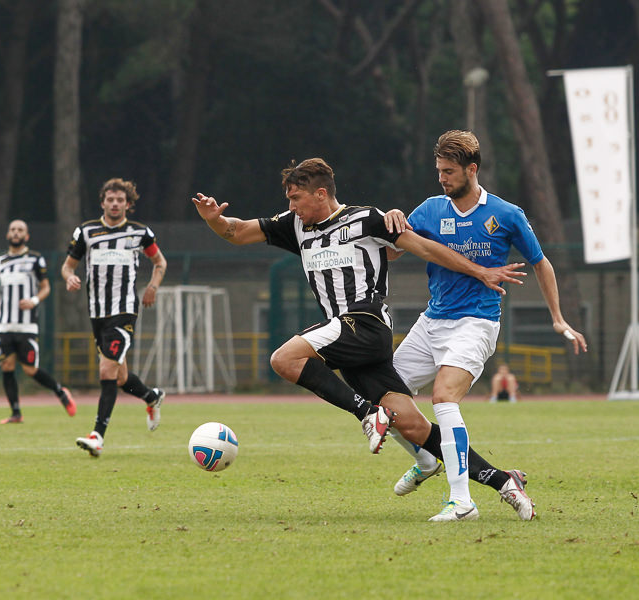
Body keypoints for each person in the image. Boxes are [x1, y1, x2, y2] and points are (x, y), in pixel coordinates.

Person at [192, 158, 534, 521]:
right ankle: (503, 481)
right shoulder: (294, 226)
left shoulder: (367, 219)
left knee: (283, 359)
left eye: (296, 198)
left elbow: (426, 249)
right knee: (413, 426)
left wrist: (480, 270)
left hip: (366, 324)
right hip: (344, 338)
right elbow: (238, 231)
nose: (291, 206)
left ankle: (369, 415)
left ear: (320, 194)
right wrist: (214, 219)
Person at [383, 129, 587, 522]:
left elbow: (541, 263)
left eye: (449, 171)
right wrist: (394, 222)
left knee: (443, 398)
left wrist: (559, 319)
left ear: (471, 169)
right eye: (439, 170)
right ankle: (427, 460)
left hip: (476, 322)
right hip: (432, 321)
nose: (442, 178)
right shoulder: (428, 210)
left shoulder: (507, 215)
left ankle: (462, 503)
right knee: (385, 398)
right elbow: (392, 253)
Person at [61, 178, 167, 457]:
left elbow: (159, 262)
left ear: (128, 204)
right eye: (111, 199)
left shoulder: (139, 232)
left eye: (120, 200)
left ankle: (97, 435)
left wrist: (152, 287)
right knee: (119, 377)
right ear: (103, 202)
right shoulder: (86, 232)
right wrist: (70, 277)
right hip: (97, 313)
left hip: (124, 312)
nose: (115, 204)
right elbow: (67, 266)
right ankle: (151, 397)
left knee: (106, 371)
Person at [0, 220, 76, 423]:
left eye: (20, 230)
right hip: (3, 324)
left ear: (27, 236)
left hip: (26, 325)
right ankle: (16, 413)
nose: (15, 232)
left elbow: (46, 287)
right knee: (7, 365)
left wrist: (33, 301)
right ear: (7, 234)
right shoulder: (0, 261)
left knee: (30, 369)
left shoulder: (35, 259)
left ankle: (60, 392)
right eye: (12, 229)